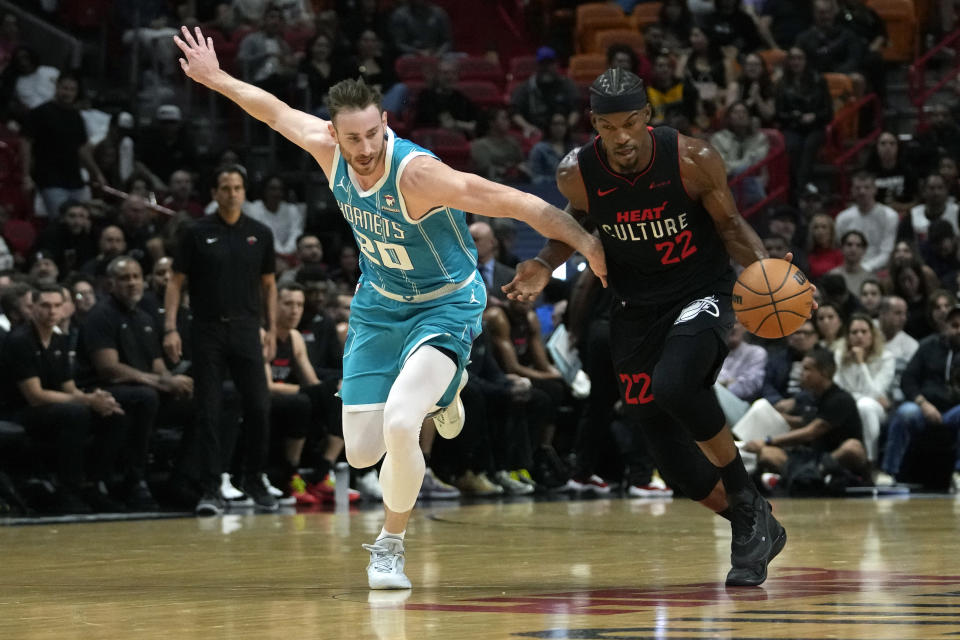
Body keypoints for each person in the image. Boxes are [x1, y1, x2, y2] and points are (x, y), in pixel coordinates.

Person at [173, 25, 606, 590]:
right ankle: (444, 393)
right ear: (334, 134)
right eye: (354, 139)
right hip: (380, 305)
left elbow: (519, 203)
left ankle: (389, 544)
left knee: (403, 424)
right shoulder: (326, 150)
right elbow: (273, 111)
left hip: (445, 304)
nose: (367, 148)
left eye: (374, 134)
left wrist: (589, 246)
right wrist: (215, 77)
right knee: (360, 452)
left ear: (387, 125)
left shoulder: (418, 175)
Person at [504, 68, 796, 587]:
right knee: (673, 460)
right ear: (594, 124)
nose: (621, 137)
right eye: (608, 126)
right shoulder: (578, 173)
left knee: (677, 385)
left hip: (699, 292)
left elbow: (730, 227)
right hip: (634, 309)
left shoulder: (692, 159)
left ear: (647, 118)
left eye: (631, 123)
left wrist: (766, 274)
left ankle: (747, 499)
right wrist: (544, 263)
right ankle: (754, 524)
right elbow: (576, 223)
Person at [163, 164, 279, 516]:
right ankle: (211, 486)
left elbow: (269, 284)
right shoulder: (196, 233)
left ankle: (254, 477)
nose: (231, 193)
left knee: (259, 405)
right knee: (209, 409)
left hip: (246, 328)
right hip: (207, 328)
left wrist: (271, 329)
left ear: (245, 193)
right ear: (214, 193)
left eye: (237, 187)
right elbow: (175, 281)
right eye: (225, 188)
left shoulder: (260, 233)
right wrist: (170, 327)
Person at [742, 346, 869, 482]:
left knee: (852, 447)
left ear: (824, 372)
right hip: (812, 456)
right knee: (766, 454)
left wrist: (767, 441)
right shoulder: (809, 398)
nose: (801, 373)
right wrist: (770, 415)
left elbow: (811, 431)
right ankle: (809, 477)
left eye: (807, 369)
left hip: (836, 457)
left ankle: (810, 475)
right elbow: (803, 421)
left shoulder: (840, 399)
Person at [834, 172, 899, 273]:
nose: (862, 191)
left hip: (880, 270)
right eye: (858, 188)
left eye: (867, 187)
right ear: (852, 191)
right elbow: (840, 250)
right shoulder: (842, 218)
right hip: (850, 269)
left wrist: (864, 268)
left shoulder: (890, 216)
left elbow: (887, 252)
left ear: (875, 189)